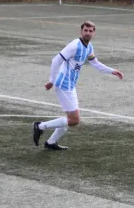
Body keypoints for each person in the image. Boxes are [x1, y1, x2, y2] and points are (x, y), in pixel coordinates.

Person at [32, 20, 123, 150]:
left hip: (70, 85)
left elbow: (95, 64)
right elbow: (56, 60)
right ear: (81, 31)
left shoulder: (89, 47)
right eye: (85, 30)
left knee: (70, 118)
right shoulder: (74, 45)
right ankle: (40, 126)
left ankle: (51, 143)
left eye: (90, 31)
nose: (88, 33)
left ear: (94, 33)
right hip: (63, 84)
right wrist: (51, 80)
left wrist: (112, 71)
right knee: (74, 120)